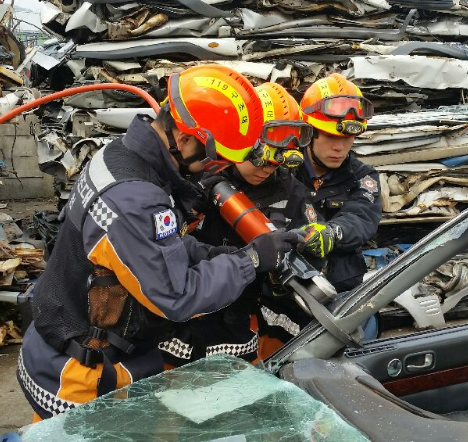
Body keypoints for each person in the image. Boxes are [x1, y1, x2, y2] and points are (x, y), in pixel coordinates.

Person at [18, 64, 302, 420]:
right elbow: (177, 296)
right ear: (184, 139)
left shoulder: (122, 158)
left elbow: (164, 246)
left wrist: (225, 254)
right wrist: (251, 262)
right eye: (215, 157)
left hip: (65, 341)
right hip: (83, 378)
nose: (216, 168)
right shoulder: (135, 200)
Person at [158, 82, 319, 366]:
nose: (267, 169)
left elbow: (308, 253)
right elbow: (164, 247)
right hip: (191, 318)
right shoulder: (199, 174)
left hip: (248, 323)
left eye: (276, 162)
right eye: (260, 159)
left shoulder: (291, 191)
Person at [294, 73, 382, 293]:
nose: (339, 148)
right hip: (290, 285)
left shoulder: (363, 177)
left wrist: (332, 233)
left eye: (347, 139)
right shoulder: (284, 170)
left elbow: (361, 217)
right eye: (331, 136)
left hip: (343, 290)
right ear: (308, 133)